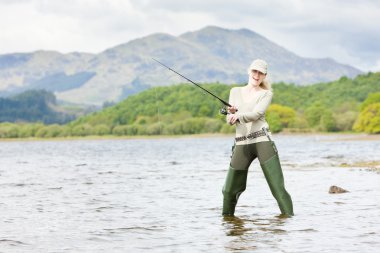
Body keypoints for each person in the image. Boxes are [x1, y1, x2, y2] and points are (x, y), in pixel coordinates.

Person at [222, 59, 294, 217]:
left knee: (278, 189)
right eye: (254, 71)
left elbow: (257, 114)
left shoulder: (266, 94)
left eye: (260, 73)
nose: (257, 75)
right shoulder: (234, 91)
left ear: (264, 76)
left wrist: (238, 115)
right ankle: (228, 226)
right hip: (241, 143)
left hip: (262, 141)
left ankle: (291, 226)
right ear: (249, 71)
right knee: (228, 191)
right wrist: (231, 115)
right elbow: (229, 118)